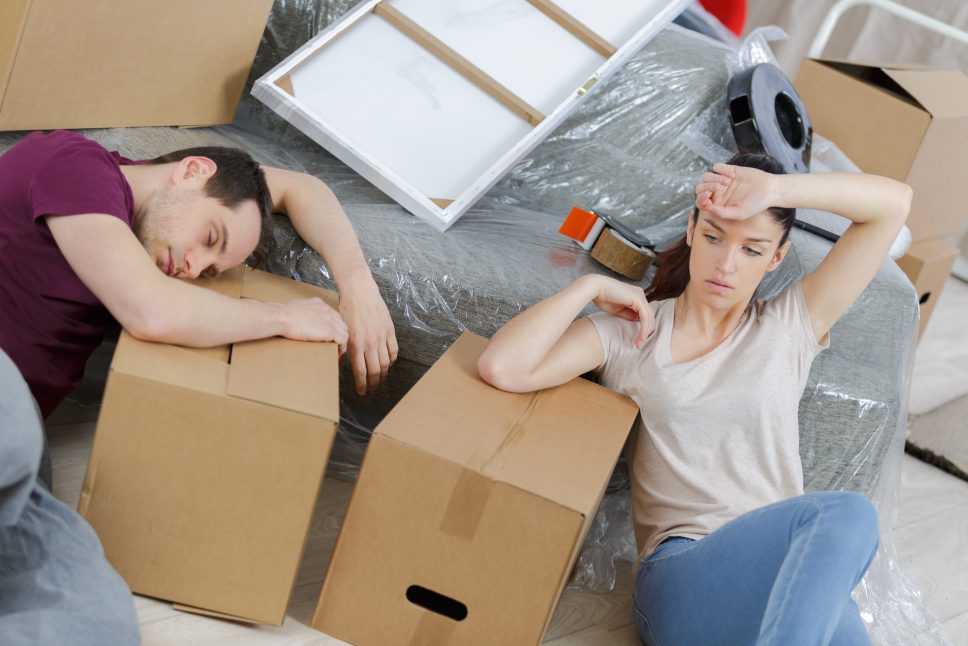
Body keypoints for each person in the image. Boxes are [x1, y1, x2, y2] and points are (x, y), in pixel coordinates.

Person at [478, 152, 912, 646]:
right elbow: (503, 367)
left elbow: (894, 204)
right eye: (713, 237)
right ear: (691, 229)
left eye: (752, 249)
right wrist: (589, 286)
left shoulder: (791, 325)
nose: (726, 264)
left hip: (783, 575)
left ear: (775, 259)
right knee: (847, 515)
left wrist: (775, 191)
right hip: (684, 572)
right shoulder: (634, 331)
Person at [0, 129, 398, 644]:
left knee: (98, 619)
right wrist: (278, 316)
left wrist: (359, 287)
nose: (192, 269)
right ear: (191, 171)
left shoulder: (174, 196)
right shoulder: (76, 166)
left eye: (211, 269)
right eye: (210, 239)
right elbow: (151, 312)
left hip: (21, 428)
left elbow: (305, 189)